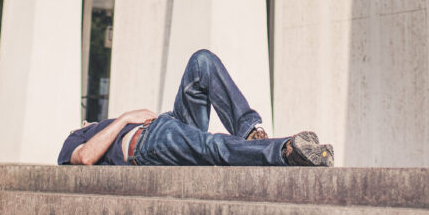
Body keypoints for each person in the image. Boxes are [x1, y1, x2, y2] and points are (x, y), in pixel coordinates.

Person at [58, 49, 333, 167]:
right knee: (210, 145)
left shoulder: (100, 128)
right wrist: (125, 118)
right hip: (148, 144)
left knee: (202, 61)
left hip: (167, 123)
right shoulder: (77, 138)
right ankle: (286, 151)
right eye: (85, 123)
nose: (87, 121)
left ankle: (249, 130)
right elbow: (85, 158)